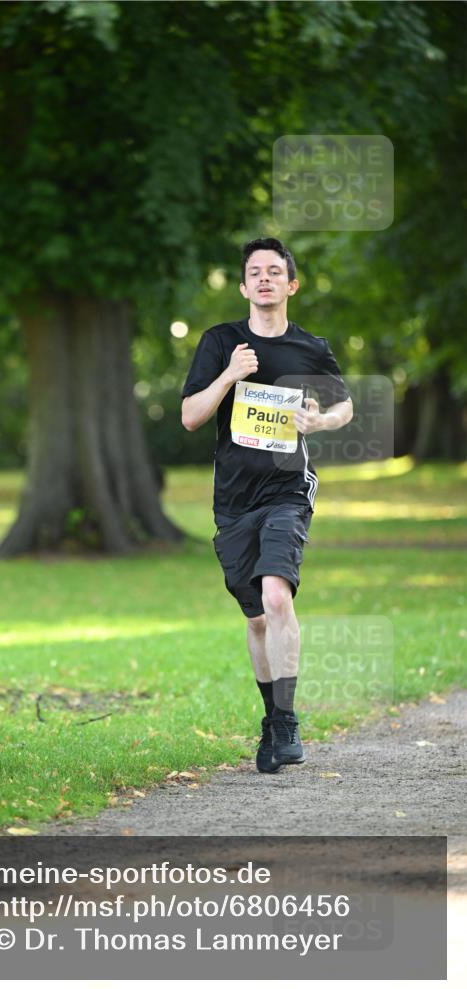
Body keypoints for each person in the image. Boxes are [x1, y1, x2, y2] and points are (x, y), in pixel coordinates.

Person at [181, 237, 353, 773]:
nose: (263, 279)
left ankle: (287, 721)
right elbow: (189, 416)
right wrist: (230, 374)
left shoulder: (310, 347)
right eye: (254, 272)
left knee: (278, 597)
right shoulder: (220, 342)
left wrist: (320, 421)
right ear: (242, 286)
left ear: (290, 284)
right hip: (233, 499)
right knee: (256, 618)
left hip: (287, 491)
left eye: (274, 271)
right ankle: (269, 720)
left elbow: (343, 405)